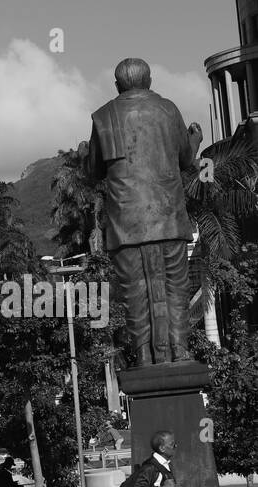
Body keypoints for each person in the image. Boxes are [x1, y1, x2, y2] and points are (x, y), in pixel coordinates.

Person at [84, 58, 201, 365]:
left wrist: (86, 153)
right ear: (150, 81)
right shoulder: (168, 109)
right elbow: (186, 159)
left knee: (135, 294)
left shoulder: (104, 116)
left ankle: (145, 357)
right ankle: (180, 351)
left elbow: (94, 171)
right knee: (175, 288)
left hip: (127, 226)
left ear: (117, 86)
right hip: (168, 220)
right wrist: (195, 140)